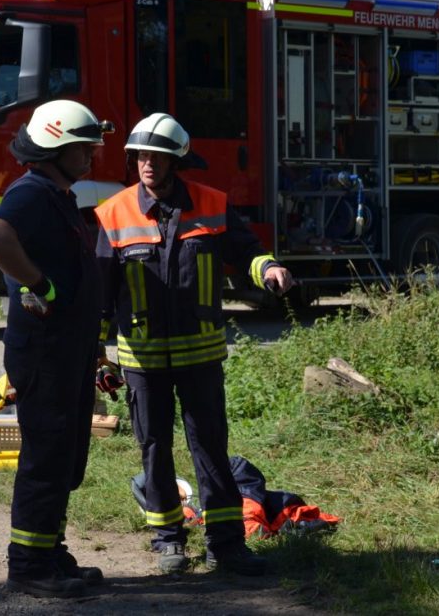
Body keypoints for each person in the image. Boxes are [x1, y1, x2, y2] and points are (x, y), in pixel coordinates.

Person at [94, 113, 294, 576]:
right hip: (143, 360)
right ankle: (168, 540)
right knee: (154, 448)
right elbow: (101, 290)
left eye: (156, 156)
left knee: (210, 448)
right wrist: (95, 352)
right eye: (140, 156)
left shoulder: (212, 204)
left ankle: (226, 544)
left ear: (175, 160)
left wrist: (268, 268)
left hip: (200, 357)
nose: (147, 164)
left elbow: (247, 251)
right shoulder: (114, 212)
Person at [0, 99, 114, 598]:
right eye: (83, 149)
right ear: (55, 150)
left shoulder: (56, 195)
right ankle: (29, 567)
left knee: (65, 458)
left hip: (67, 351)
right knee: (46, 457)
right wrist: (40, 285)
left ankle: (49, 552)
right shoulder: (32, 193)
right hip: (45, 352)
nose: (91, 156)